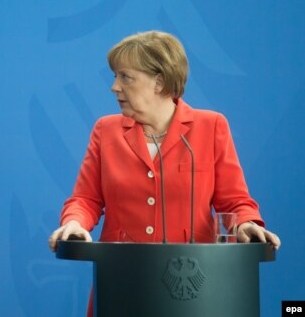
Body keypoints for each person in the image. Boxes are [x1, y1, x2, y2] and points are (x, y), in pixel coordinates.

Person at [49, 30, 281, 249]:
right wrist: (74, 223)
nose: (114, 87)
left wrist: (246, 223)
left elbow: (234, 202)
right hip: (121, 274)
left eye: (126, 78)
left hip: (192, 277)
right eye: (115, 76)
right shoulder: (106, 130)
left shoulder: (211, 126)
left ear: (159, 82)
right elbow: (86, 199)